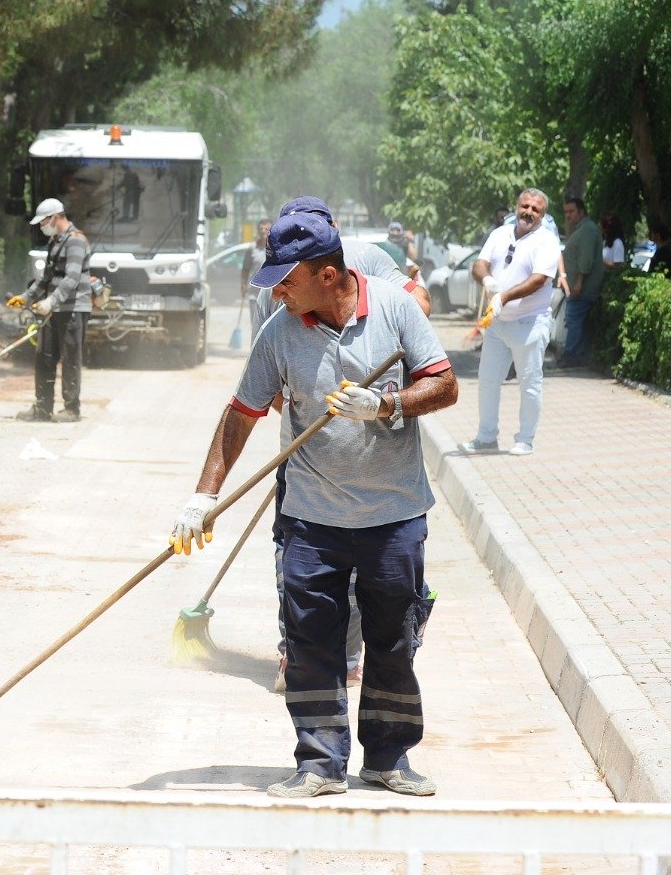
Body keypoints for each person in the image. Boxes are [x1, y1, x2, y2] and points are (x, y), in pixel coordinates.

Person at [172, 209, 457, 799]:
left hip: (394, 514)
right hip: (309, 518)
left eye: (287, 278)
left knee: (392, 640)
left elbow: (444, 384)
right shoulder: (281, 329)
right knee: (309, 644)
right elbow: (242, 412)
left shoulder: (395, 307)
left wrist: (386, 406)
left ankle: (388, 758)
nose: (277, 290)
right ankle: (321, 764)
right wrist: (204, 494)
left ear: (328, 275)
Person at [248, 198, 432, 691]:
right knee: (294, 559)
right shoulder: (284, 292)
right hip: (305, 457)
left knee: (381, 609)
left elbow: (424, 315)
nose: (279, 292)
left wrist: (385, 401)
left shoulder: (369, 261)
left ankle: (353, 660)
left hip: (386, 490)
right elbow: (254, 394)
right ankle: (299, 651)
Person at [461, 188, 562, 456]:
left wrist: (503, 296)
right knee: (488, 381)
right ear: (517, 206)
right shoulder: (499, 234)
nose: (528, 212)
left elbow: (539, 279)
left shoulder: (546, 241)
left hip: (529, 324)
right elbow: (479, 264)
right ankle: (486, 438)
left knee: (529, 383)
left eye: (535, 209)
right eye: (525, 206)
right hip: (497, 325)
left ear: (542, 214)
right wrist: (488, 281)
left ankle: (525, 439)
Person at [7, 198, 91, 422]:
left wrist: (50, 302)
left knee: (70, 358)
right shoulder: (56, 241)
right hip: (53, 309)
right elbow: (46, 278)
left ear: (55, 217)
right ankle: (43, 408)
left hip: (73, 308)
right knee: (44, 356)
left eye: (44, 221)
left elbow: (71, 279)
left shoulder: (76, 241)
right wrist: (25, 298)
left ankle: (72, 409)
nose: (42, 226)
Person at [559, 196, 604, 366]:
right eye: (566, 212)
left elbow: (585, 260)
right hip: (578, 287)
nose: (568, 215)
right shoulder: (582, 229)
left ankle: (571, 356)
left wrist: (578, 282)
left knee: (574, 321)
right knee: (579, 322)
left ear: (581, 211)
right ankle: (580, 356)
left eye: (571, 211)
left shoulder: (587, 230)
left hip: (582, 288)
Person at [242, 218, 271, 298]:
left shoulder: (275, 248)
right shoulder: (252, 248)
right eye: (261, 229)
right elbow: (245, 269)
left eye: (266, 229)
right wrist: (244, 285)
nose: (263, 231)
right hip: (254, 291)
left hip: (270, 291)